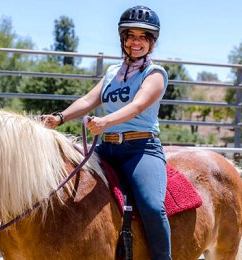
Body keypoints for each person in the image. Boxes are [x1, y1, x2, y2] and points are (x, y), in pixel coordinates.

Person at [43, 5, 171, 260]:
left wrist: (105, 122)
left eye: (143, 37)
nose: (136, 42)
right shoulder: (113, 72)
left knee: (153, 207)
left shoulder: (155, 74)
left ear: (151, 43)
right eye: (131, 35)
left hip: (140, 149)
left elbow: (137, 106)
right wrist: (59, 117)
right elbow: (88, 100)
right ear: (123, 39)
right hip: (107, 149)